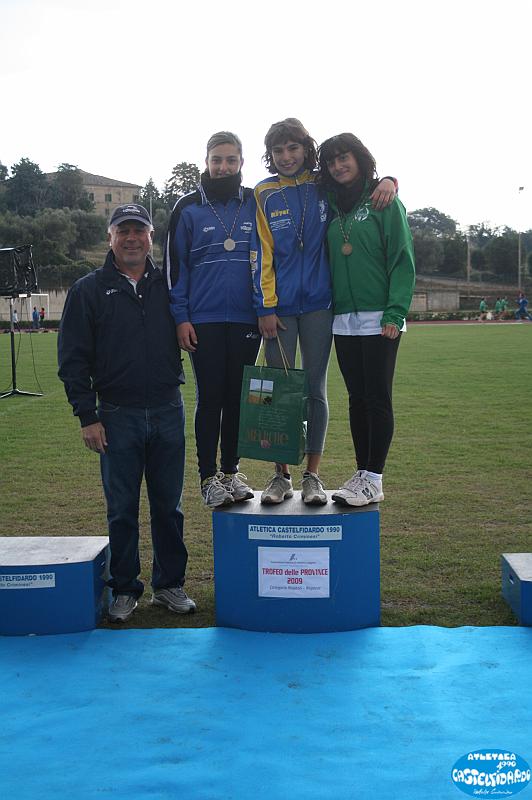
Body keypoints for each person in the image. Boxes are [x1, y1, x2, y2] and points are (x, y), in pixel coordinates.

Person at [58, 203, 195, 623]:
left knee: (168, 507)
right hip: (117, 415)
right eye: (124, 231)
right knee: (121, 509)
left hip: (168, 408)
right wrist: (87, 416)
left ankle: (169, 585)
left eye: (140, 230)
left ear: (151, 237)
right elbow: (72, 359)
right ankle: (124, 588)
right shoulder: (88, 290)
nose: (132, 238)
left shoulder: (171, 284)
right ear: (110, 237)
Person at [251, 118, 396, 505]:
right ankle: (281, 476)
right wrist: (265, 305)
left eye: (293, 148)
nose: (286, 156)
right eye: (278, 150)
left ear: (306, 149)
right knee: (277, 390)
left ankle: (312, 476)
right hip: (278, 310)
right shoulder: (262, 192)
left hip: (319, 305)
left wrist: (389, 180)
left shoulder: (323, 185)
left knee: (315, 388)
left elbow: (360, 185)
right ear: (270, 155)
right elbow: (262, 252)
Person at [317, 132, 415, 506]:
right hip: (343, 317)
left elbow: (402, 258)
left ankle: (375, 477)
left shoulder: (383, 200)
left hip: (380, 317)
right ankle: (362, 475)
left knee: (377, 396)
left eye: (344, 158)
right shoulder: (330, 204)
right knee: (357, 399)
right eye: (331, 161)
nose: (338, 166)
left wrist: (395, 311)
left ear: (359, 158)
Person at [164, 132, 260, 510]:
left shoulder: (255, 201)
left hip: (247, 319)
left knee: (239, 399)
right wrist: (181, 318)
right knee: (210, 398)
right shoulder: (187, 207)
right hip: (202, 320)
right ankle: (208, 478)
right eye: (216, 159)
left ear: (241, 163)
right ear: (206, 162)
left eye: (230, 160)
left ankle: (231, 472)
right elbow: (175, 268)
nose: (223, 167)